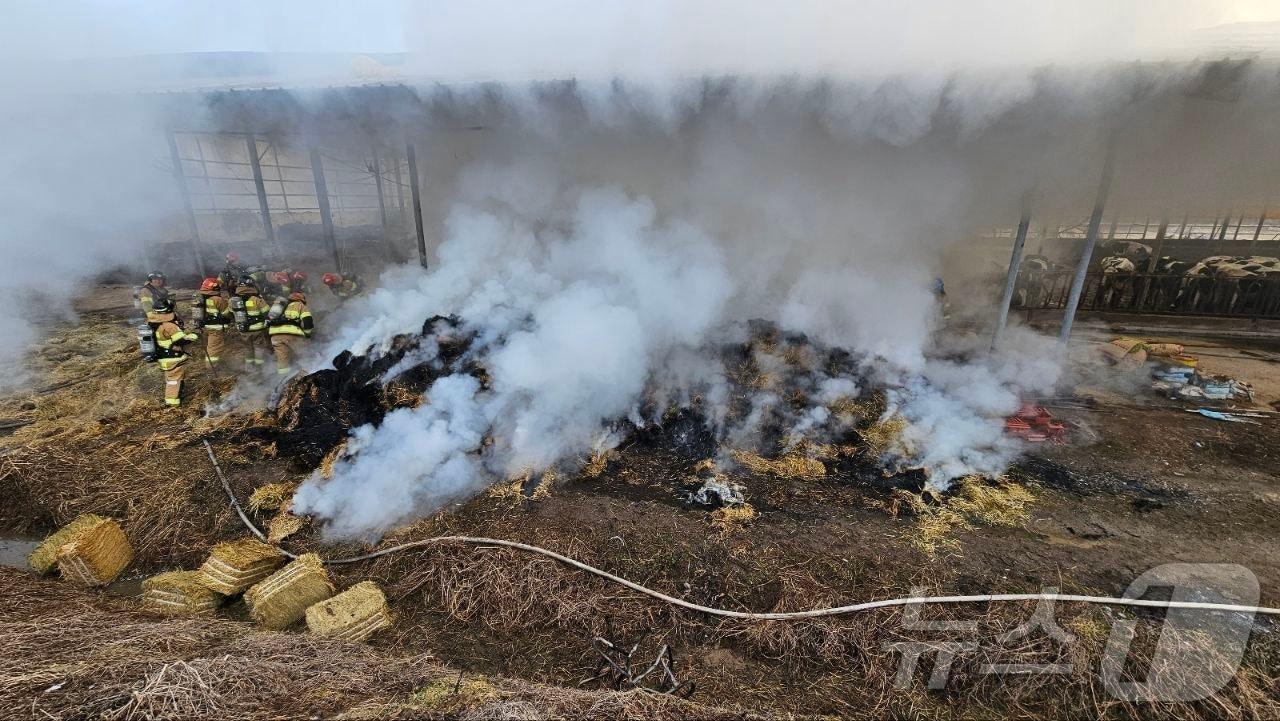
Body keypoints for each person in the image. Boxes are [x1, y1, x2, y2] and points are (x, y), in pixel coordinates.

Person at [147, 297, 199, 407]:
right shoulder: (169, 325)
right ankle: (172, 405)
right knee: (174, 381)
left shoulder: (153, 323)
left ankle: (175, 399)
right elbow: (181, 340)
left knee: (172, 379)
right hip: (172, 358)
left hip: (163, 357)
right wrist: (194, 335)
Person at [267, 291, 314, 375]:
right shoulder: (300, 305)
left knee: (282, 359)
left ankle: (283, 379)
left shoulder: (281, 306)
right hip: (291, 334)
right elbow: (308, 321)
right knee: (304, 354)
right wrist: (307, 334)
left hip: (274, 336)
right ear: (301, 299)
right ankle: (309, 373)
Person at [234, 275, 270, 369]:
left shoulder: (233, 300)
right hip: (257, 329)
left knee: (247, 348)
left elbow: (230, 313)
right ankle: (259, 367)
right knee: (258, 347)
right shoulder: (256, 299)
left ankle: (249, 367)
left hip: (243, 329)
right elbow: (267, 312)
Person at [196, 277, 232, 366]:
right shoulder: (217, 299)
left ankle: (214, 363)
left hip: (205, 326)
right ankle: (212, 366)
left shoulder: (200, 297)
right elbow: (225, 313)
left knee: (212, 345)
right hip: (215, 327)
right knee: (215, 347)